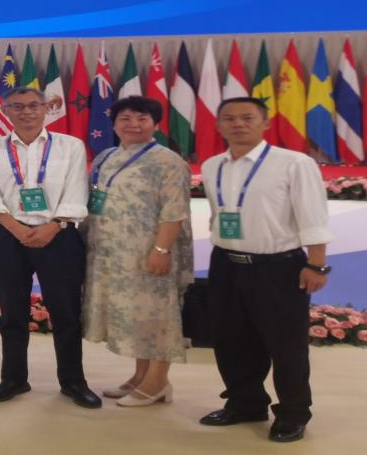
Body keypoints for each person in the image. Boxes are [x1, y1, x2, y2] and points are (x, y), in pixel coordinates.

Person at [198, 97, 333, 443]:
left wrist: (316, 263)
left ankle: (293, 413)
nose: (238, 124)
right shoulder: (213, 165)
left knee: (285, 346)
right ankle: (245, 403)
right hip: (226, 263)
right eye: (229, 118)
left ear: (265, 122)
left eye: (247, 117)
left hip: (278, 267)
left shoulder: (293, 163)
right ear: (218, 125)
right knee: (231, 340)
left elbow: (313, 215)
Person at [0, 87, 101, 409]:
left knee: (66, 313)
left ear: (46, 108)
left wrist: (53, 226)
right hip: (8, 235)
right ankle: (13, 378)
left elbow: (76, 192)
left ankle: (73, 381)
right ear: (5, 111)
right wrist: (18, 229)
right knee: (12, 312)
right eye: (17, 106)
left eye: (33, 105)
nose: (26, 112)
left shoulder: (70, 146)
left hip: (59, 235)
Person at [81, 96, 193, 407]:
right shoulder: (106, 157)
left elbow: (174, 211)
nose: (133, 124)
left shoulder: (168, 161)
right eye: (125, 118)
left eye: (142, 119)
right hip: (112, 254)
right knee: (136, 316)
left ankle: (157, 382)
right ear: (114, 124)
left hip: (149, 251)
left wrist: (161, 249)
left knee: (157, 315)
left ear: (155, 124)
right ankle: (140, 376)